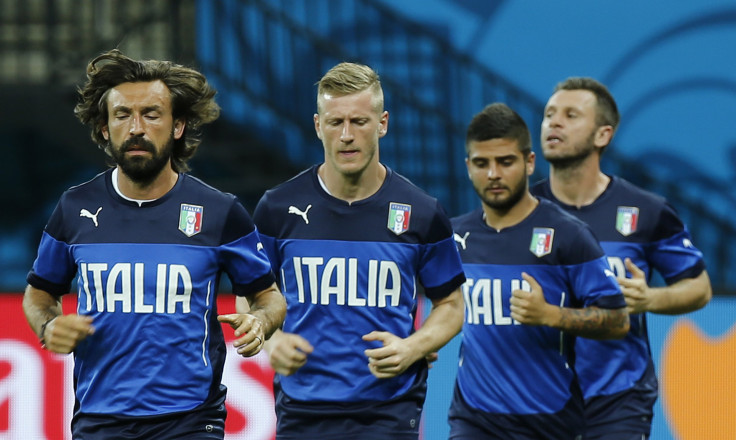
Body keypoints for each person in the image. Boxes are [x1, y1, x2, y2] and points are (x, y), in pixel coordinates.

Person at [22, 49, 286, 440]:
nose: (136, 128)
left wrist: (260, 322)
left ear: (177, 126)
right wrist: (49, 327)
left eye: (151, 113)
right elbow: (39, 295)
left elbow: (269, 296)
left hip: (192, 420)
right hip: (100, 420)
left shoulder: (220, 212)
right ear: (104, 129)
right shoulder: (74, 208)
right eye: (123, 115)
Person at [245, 61, 466, 440]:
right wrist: (273, 340)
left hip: (390, 413)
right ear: (318, 126)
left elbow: (451, 305)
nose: (346, 135)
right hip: (302, 412)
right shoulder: (277, 209)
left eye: (359, 122)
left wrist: (413, 347)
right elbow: (253, 296)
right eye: (335, 122)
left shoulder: (422, 212)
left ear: (382, 123)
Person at [532, 77, 712, 439]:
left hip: (618, 399)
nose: (554, 122)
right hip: (534, 396)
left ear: (603, 135)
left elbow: (701, 288)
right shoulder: (520, 211)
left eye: (571, 114)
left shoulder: (647, 211)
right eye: (550, 114)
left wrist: (650, 298)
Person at [448, 103, 630, 439]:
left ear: (530, 162)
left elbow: (618, 321)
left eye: (505, 162)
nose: (493, 175)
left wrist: (550, 315)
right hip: (473, 419)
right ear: (467, 167)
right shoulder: (454, 236)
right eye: (481, 163)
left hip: (549, 421)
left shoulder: (569, 236)